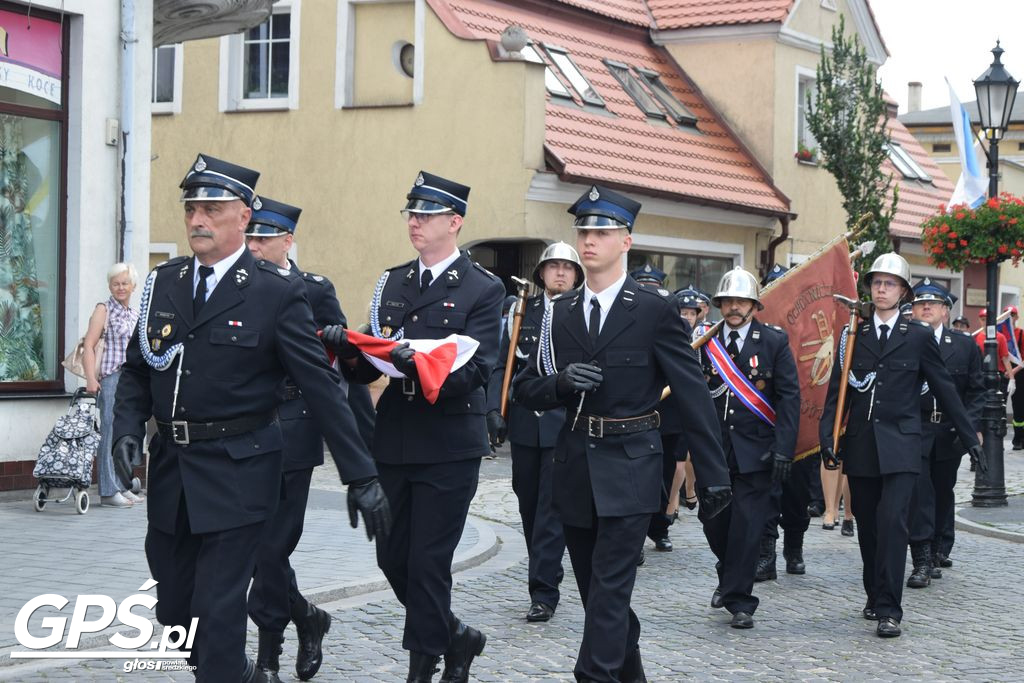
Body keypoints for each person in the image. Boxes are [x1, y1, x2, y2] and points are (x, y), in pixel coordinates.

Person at [111, 154, 390, 682]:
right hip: (173, 469)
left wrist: (362, 474)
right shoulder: (163, 283)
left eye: (212, 208)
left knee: (218, 614)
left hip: (240, 472)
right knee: (175, 615)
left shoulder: (275, 291)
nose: (198, 219)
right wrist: (126, 430)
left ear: (243, 216)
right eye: (192, 206)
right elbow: (136, 371)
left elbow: (322, 388)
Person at [514, 185, 731, 682]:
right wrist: (558, 384)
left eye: (602, 232)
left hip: (632, 464)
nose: (590, 241)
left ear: (626, 241)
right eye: (584, 231)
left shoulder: (655, 309)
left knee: (611, 589)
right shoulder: (558, 312)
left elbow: (693, 394)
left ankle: (592, 676)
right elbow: (524, 388)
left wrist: (715, 475)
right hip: (574, 465)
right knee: (595, 594)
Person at [324, 171, 504, 683]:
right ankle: (455, 635)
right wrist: (348, 352)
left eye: (426, 215)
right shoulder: (392, 281)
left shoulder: (481, 289)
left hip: (449, 438)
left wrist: (415, 365)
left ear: (455, 222)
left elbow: (477, 369)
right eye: (412, 214)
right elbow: (370, 362)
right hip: (396, 433)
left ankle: (423, 666)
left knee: (427, 561)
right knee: (391, 557)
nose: (416, 223)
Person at [819, 252, 984, 638]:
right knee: (870, 529)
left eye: (889, 283)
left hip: (904, 447)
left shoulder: (918, 336)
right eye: (876, 282)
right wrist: (828, 437)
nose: (881, 289)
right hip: (862, 446)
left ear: (903, 292)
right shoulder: (853, 334)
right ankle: (874, 594)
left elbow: (944, 388)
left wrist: (969, 437)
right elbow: (836, 393)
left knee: (894, 524)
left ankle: (890, 609)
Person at [243, 197, 372, 681]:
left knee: (273, 549)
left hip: (295, 427)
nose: (255, 247)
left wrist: (341, 344)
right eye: (251, 237)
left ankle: (269, 655)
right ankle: (307, 617)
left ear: (288, 240)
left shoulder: (314, 288)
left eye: (264, 238)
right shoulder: (238, 286)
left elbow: (343, 368)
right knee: (257, 550)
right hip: (246, 429)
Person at [485, 242, 583, 622]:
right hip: (526, 423)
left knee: (550, 509)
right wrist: (494, 409)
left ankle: (543, 590)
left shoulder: (583, 312)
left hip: (564, 424)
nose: (560, 273)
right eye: (552, 266)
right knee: (528, 504)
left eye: (567, 267)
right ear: (541, 273)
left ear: (576, 274)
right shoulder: (520, 310)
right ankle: (548, 568)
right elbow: (500, 364)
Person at [698, 266, 800, 627]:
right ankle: (729, 575)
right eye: (728, 301)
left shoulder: (773, 341)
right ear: (719, 305)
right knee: (714, 523)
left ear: (754, 305)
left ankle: (740, 599)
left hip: (756, 451)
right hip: (713, 451)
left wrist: (784, 448)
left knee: (746, 526)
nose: (734, 308)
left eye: (741, 301)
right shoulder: (704, 343)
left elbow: (789, 397)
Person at [906, 281, 983, 587]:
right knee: (920, 492)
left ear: (945, 311)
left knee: (943, 489)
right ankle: (923, 556)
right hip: (917, 427)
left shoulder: (964, 345)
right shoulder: (906, 340)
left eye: (933, 304)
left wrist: (968, 428)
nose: (926, 308)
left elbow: (977, 391)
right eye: (920, 303)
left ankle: (941, 545)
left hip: (949, 428)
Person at [753, 262, 818, 581]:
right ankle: (766, 554)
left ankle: (794, 546)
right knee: (767, 494)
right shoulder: (755, 330)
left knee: (797, 494)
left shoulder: (807, 326)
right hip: (762, 423)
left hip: (801, 420)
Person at [629, 264, 686, 556]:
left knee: (662, 477)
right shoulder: (625, 324)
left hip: (666, 417)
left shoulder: (673, 323)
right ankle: (635, 537)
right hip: (633, 417)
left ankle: (660, 527)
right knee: (635, 482)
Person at [83, 262, 141, 508]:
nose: (120, 287)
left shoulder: (134, 313)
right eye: (116, 283)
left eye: (124, 283)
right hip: (110, 378)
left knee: (124, 434)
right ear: (109, 285)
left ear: (133, 286)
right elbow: (89, 345)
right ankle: (108, 491)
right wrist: (90, 379)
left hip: (131, 380)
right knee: (108, 433)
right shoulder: (103, 310)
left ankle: (122, 485)